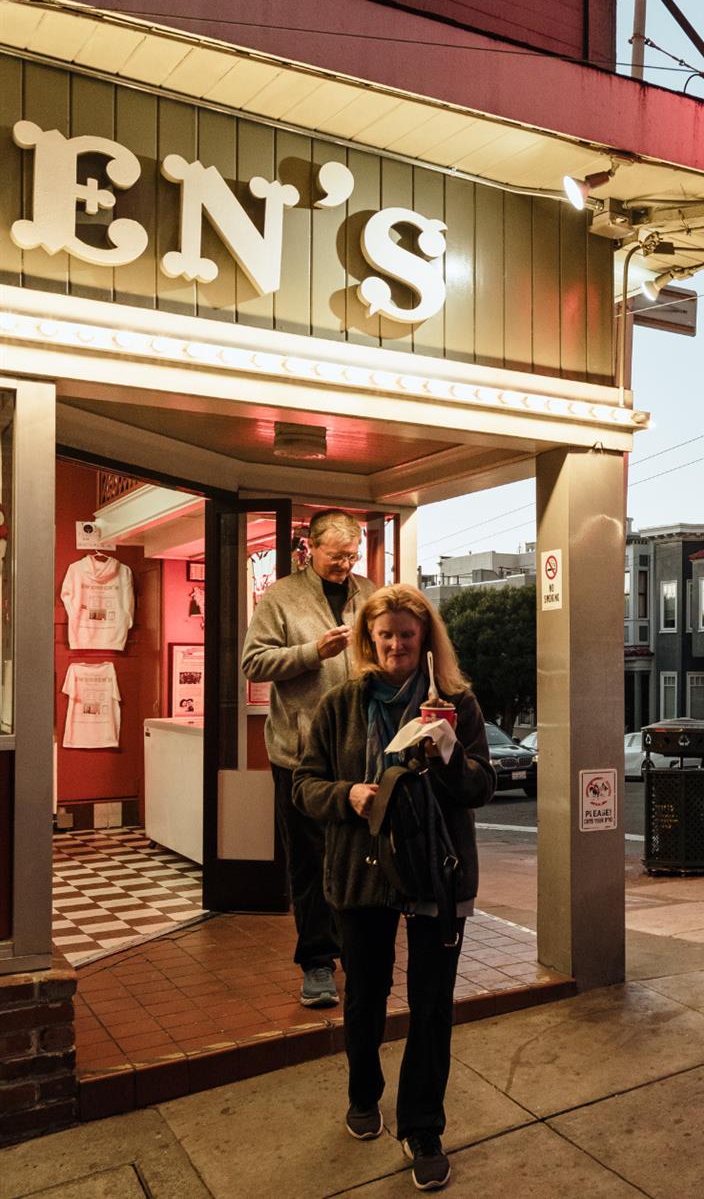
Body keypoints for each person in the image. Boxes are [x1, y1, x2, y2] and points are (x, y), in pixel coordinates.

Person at [293, 583, 494, 1193]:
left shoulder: (455, 702)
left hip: (439, 870)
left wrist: (451, 749)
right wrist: (347, 796)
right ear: (368, 640)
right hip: (362, 870)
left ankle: (423, 1126)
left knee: (433, 1004)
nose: (397, 645)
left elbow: (481, 787)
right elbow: (303, 786)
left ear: (426, 640)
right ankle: (363, 1093)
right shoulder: (339, 706)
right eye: (386, 636)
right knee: (366, 996)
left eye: (409, 635)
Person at [240, 509, 375, 1008]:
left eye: (351, 555)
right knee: (310, 863)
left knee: (361, 855)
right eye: (336, 555)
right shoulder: (281, 598)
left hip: (360, 751)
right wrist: (311, 652)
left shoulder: (370, 593)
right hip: (300, 756)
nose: (344, 565)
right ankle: (317, 963)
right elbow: (253, 662)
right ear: (310, 549)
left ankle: (358, 950)